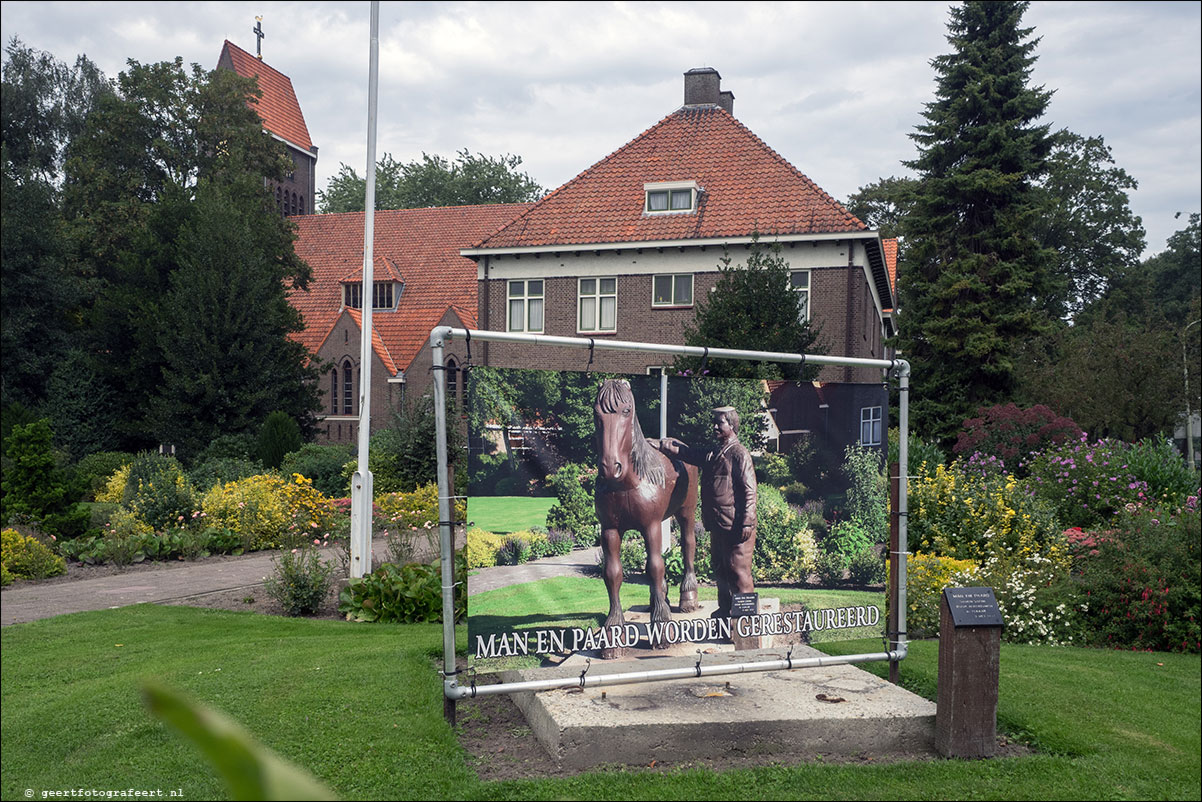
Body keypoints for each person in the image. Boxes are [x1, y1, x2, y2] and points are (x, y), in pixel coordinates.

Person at [655, 406, 757, 619]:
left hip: (737, 526)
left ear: (732, 425)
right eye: (715, 422)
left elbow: (749, 490)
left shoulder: (739, 454)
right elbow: (687, 453)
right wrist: (660, 445)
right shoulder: (713, 453)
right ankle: (725, 611)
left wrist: (747, 521)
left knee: (739, 572)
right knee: (721, 571)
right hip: (718, 524)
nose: (715, 426)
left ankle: (744, 621)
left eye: (720, 423)